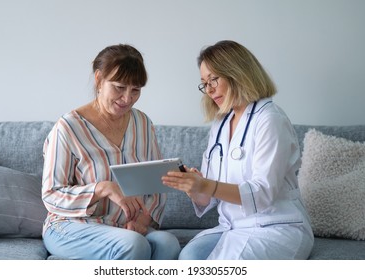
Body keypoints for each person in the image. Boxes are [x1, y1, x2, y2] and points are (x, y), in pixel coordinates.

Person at [162, 40, 314, 260]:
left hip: (275, 227)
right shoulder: (221, 124)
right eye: (205, 82)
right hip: (233, 228)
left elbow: (263, 193)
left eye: (214, 79)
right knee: (188, 257)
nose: (209, 89)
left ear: (238, 73)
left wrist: (205, 184)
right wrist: (193, 186)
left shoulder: (270, 119)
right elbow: (209, 198)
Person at [41, 44, 180, 260]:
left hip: (124, 226)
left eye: (135, 90)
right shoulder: (67, 128)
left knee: (167, 243)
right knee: (133, 245)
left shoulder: (142, 123)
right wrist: (103, 188)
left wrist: (142, 221)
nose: (127, 98)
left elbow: (156, 184)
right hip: (70, 226)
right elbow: (51, 195)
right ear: (99, 79)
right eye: (119, 87)